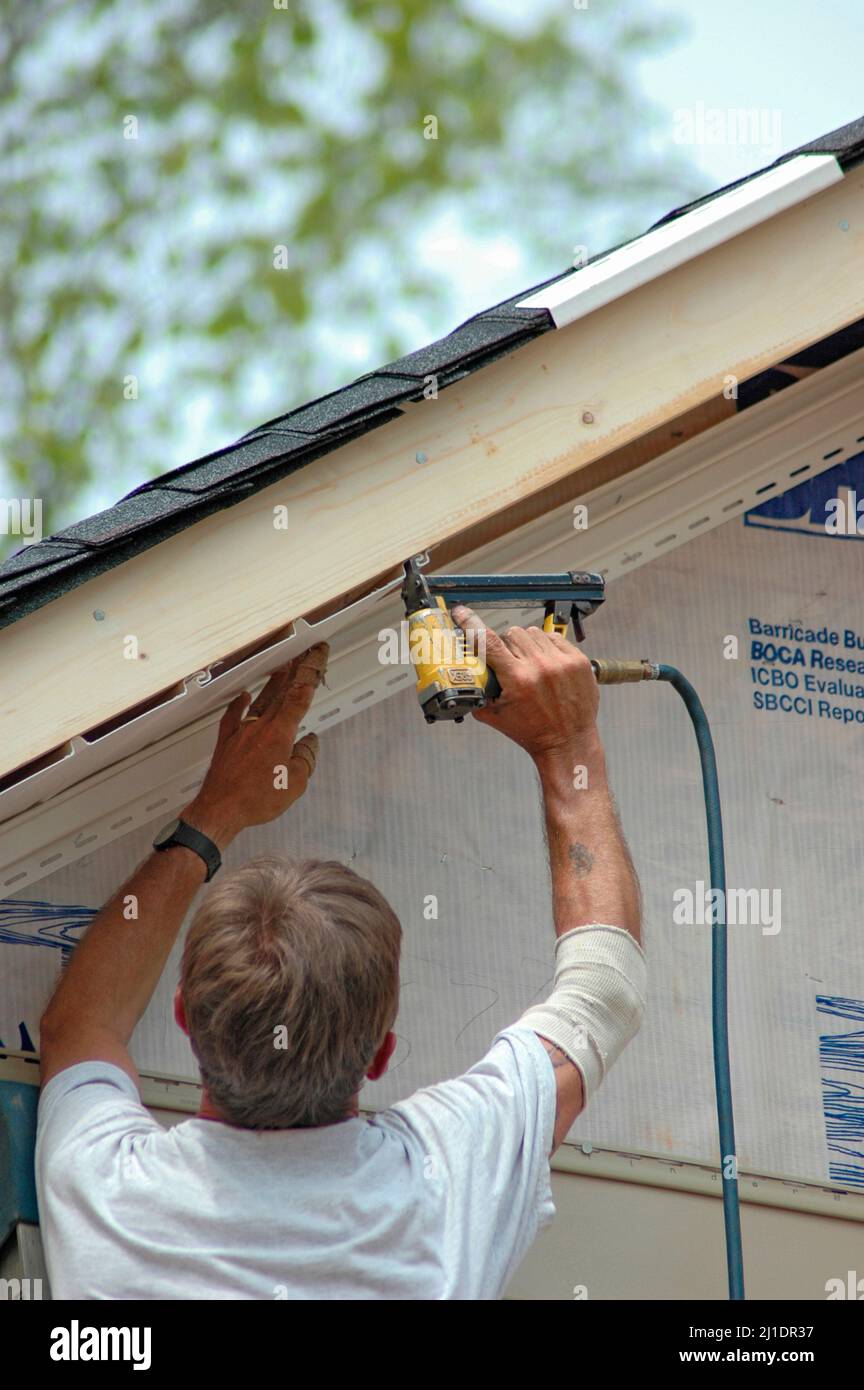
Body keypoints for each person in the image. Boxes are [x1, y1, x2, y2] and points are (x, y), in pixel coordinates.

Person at [35, 607, 646, 1300]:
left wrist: (219, 811)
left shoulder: (113, 1197)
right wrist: (566, 744)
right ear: (383, 1053)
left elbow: (82, 1025)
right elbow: (605, 993)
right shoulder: (442, 1181)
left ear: (185, 1017)